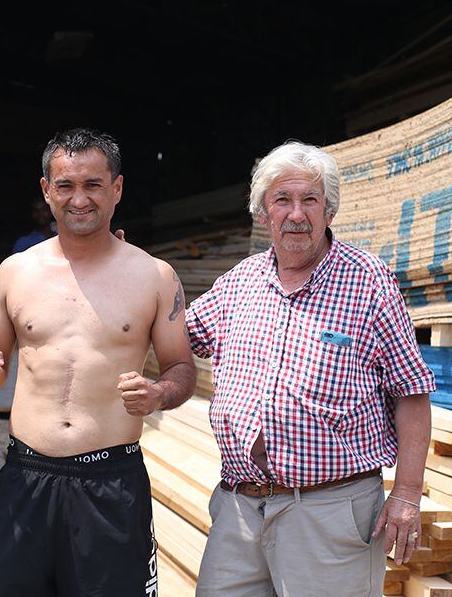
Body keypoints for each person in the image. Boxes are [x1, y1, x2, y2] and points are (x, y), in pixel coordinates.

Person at [187, 140, 436, 596]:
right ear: (264, 213)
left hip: (330, 512)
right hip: (239, 510)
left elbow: (411, 391)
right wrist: (135, 273)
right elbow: (176, 337)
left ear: (330, 211)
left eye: (310, 200)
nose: (296, 214)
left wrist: (406, 494)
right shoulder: (238, 283)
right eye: (282, 200)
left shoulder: (369, 281)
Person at [0, 128, 197, 597]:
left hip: (111, 481)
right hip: (25, 477)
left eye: (93, 184)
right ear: (46, 190)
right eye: (66, 185)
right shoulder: (15, 272)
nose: (79, 199)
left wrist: (159, 394)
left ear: (116, 189)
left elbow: (181, 368)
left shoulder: (154, 276)